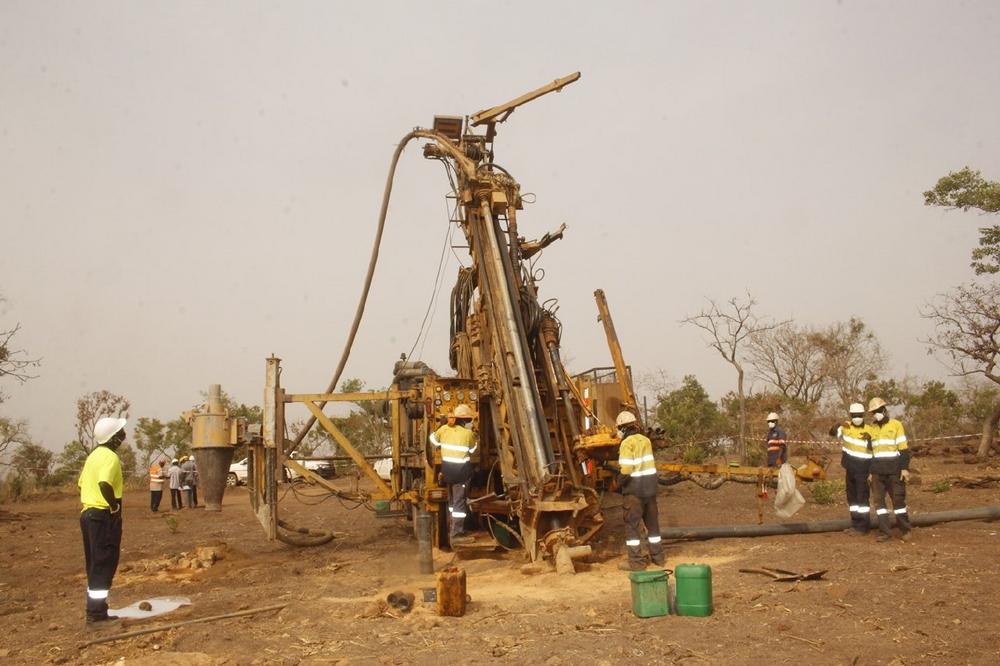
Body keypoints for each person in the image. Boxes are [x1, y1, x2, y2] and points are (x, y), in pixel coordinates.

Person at [78, 416, 127, 625]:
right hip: (101, 516)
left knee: (95, 563)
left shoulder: (93, 456)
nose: (123, 435)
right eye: (120, 433)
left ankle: (97, 610)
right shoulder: (110, 457)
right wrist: (114, 507)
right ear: (113, 437)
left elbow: (81, 484)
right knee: (105, 562)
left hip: (88, 515)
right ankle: (96, 615)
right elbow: (104, 483)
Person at [615, 410, 663, 571]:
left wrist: (618, 483)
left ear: (622, 428)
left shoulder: (626, 443)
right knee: (653, 526)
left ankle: (636, 562)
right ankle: (658, 558)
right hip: (650, 490)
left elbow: (627, 469)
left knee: (632, 527)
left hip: (634, 491)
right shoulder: (646, 440)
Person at [429, 404, 477, 546]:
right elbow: (473, 449)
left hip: (447, 472)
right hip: (461, 473)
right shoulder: (468, 434)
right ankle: (457, 533)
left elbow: (433, 439)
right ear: (466, 420)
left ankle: (453, 528)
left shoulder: (444, 429)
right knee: (459, 502)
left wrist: (441, 424)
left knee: (451, 502)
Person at [867, 397, 912, 542]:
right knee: (879, 504)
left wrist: (904, 469)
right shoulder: (872, 428)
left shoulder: (896, 425)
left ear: (884, 410)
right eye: (874, 412)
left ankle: (905, 530)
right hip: (877, 472)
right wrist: (870, 472)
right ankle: (885, 532)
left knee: (898, 501)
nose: (876, 413)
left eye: (878, 410)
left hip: (894, 470)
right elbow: (871, 452)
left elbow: (903, 449)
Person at [829, 403, 873, 535]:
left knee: (862, 498)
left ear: (863, 415)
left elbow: (875, 449)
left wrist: (870, 439)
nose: (857, 417)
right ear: (851, 415)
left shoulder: (870, 430)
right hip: (850, 468)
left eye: (859, 415)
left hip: (863, 469)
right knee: (852, 498)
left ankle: (863, 526)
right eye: (854, 415)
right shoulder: (846, 427)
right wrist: (838, 424)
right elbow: (832, 433)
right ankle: (855, 523)